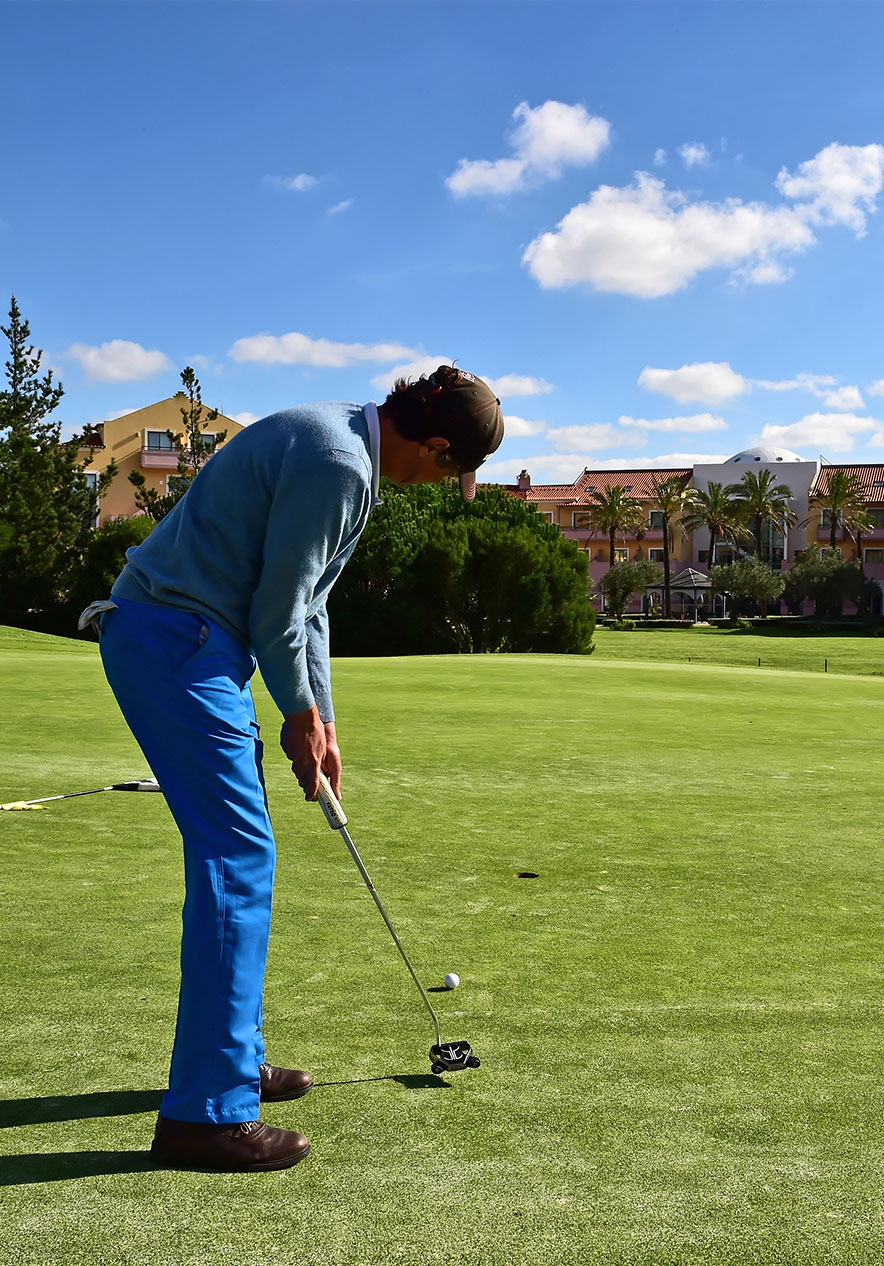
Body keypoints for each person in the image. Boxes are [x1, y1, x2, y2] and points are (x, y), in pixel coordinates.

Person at [86, 366, 503, 1173]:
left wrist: (324, 717)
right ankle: (205, 1116)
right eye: (448, 472)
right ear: (434, 446)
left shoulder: (346, 440)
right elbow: (276, 609)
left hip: (194, 644)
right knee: (237, 860)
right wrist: (297, 715)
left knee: (240, 855)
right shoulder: (341, 464)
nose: (436, 486)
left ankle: (232, 1063)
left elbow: (310, 604)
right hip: (176, 643)